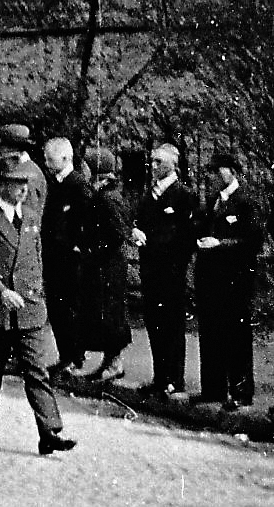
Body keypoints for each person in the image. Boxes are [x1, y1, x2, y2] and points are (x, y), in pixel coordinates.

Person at [0, 157, 75, 455]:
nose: (24, 190)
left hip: (29, 308)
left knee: (37, 370)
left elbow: (36, 259)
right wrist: (1, 291)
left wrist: (37, 294)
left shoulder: (30, 217)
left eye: (25, 184)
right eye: (17, 184)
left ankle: (49, 431)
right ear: (2, 186)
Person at [193, 154, 263, 409]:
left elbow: (252, 241)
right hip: (211, 280)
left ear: (233, 171)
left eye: (217, 170)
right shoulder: (213, 202)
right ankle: (213, 390)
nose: (212, 175)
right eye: (210, 171)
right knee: (211, 332)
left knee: (237, 335)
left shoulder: (245, 203)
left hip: (235, 280)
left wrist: (220, 244)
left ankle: (241, 391)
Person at [132, 143, 197, 398]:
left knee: (172, 324)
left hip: (171, 272)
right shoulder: (150, 195)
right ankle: (160, 378)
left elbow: (185, 236)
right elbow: (139, 220)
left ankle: (175, 379)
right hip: (150, 271)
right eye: (152, 161)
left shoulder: (183, 195)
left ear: (173, 164)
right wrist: (136, 231)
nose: (154, 166)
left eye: (159, 162)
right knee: (154, 323)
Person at [42, 136, 97, 377]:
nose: (46, 162)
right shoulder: (54, 183)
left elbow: (87, 222)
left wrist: (78, 246)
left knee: (70, 308)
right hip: (55, 256)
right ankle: (66, 355)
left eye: (50, 158)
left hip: (70, 260)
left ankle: (75, 356)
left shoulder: (78, 185)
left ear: (66, 158)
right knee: (57, 308)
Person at [80, 147, 130, 382]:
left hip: (108, 265)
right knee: (102, 312)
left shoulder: (109, 197)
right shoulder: (100, 194)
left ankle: (114, 362)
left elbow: (118, 233)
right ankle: (108, 362)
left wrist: (95, 249)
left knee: (111, 313)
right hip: (101, 263)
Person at [0, 124, 47, 221]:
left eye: (3, 154)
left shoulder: (29, 174)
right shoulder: (30, 169)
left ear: (8, 151)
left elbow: (28, 213)